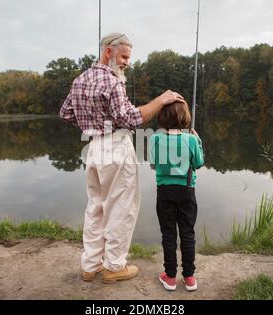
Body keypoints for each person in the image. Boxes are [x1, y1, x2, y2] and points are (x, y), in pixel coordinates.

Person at [59, 32, 184, 283]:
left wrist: (92, 125)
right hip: (116, 148)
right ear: (109, 52)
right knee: (121, 208)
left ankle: (91, 265)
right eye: (124, 56)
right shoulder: (113, 82)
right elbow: (131, 119)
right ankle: (114, 266)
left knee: (95, 207)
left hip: (94, 149)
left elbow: (65, 113)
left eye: (128, 57)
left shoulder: (80, 79)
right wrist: (161, 100)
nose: (127, 62)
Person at [149, 101, 204, 291]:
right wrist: (198, 141)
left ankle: (170, 277)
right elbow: (198, 163)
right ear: (185, 117)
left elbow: (153, 164)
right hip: (187, 191)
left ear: (162, 117)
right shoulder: (191, 140)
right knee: (188, 234)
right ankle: (189, 278)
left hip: (164, 192)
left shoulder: (155, 138)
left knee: (168, 234)